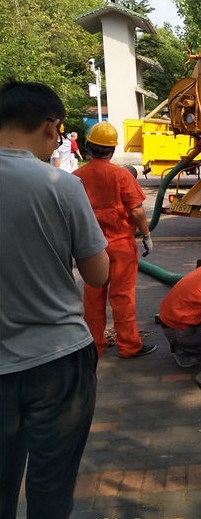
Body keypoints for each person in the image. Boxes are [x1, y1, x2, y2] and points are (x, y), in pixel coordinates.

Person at [0, 80, 110, 519]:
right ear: (51, 127)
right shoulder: (58, 185)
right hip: (57, 360)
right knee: (51, 487)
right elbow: (97, 274)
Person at [73, 121, 156, 359]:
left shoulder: (76, 177)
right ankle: (129, 346)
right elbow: (138, 211)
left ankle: (94, 346)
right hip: (120, 245)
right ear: (111, 150)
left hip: (90, 249)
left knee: (93, 296)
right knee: (122, 296)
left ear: (89, 147)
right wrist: (147, 235)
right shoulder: (120, 175)